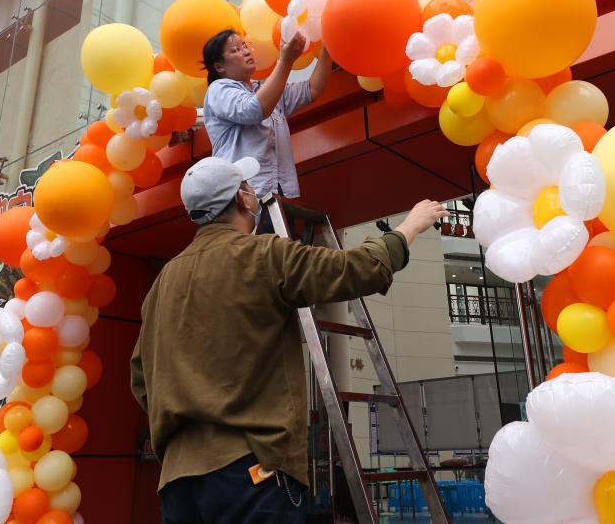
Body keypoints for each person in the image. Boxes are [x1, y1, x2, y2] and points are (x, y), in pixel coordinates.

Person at [130, 156, 448, 523]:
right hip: (251, 468)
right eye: (248, 187)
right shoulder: (262, 254)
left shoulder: (163, 281)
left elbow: (141, 379)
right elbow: (356, 270)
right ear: (242, 199)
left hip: (178, 481)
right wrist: (410, 226)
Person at [201, 29, 332, 209]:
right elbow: (253, 110)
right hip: (245, 198)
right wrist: (285, 61)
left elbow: (312, 89)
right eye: (235, 50)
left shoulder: (265, 90)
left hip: (283, 193)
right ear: (219, 67)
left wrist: (328, 47)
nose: (246, 51)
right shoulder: (218, 89)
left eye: (245, 45)